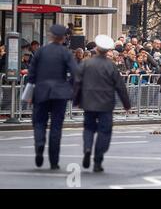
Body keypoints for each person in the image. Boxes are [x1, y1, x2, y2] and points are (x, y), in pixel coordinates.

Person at [73, 35, 131, 173]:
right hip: (106, 104)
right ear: (107, 50)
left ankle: (87, 148)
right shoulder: (110, 66)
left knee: (88, 128)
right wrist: (126, 104)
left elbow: (77, 82)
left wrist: (76, 100)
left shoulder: (86, 63)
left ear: (97, 48)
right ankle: (98, 159)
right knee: (104, 131)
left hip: (88, 102)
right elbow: (120, 86)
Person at [27, 24, 78, 169]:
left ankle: (39, 145)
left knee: (38, 122)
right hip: (60, 93)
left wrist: (30, 94)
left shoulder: (40, 52)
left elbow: (31, 75)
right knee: (56, 126)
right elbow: (76, 74)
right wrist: (68, 87)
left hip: (41, 92)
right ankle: (54, 161)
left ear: (50, 36)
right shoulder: (66, 53)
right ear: (63, 38)